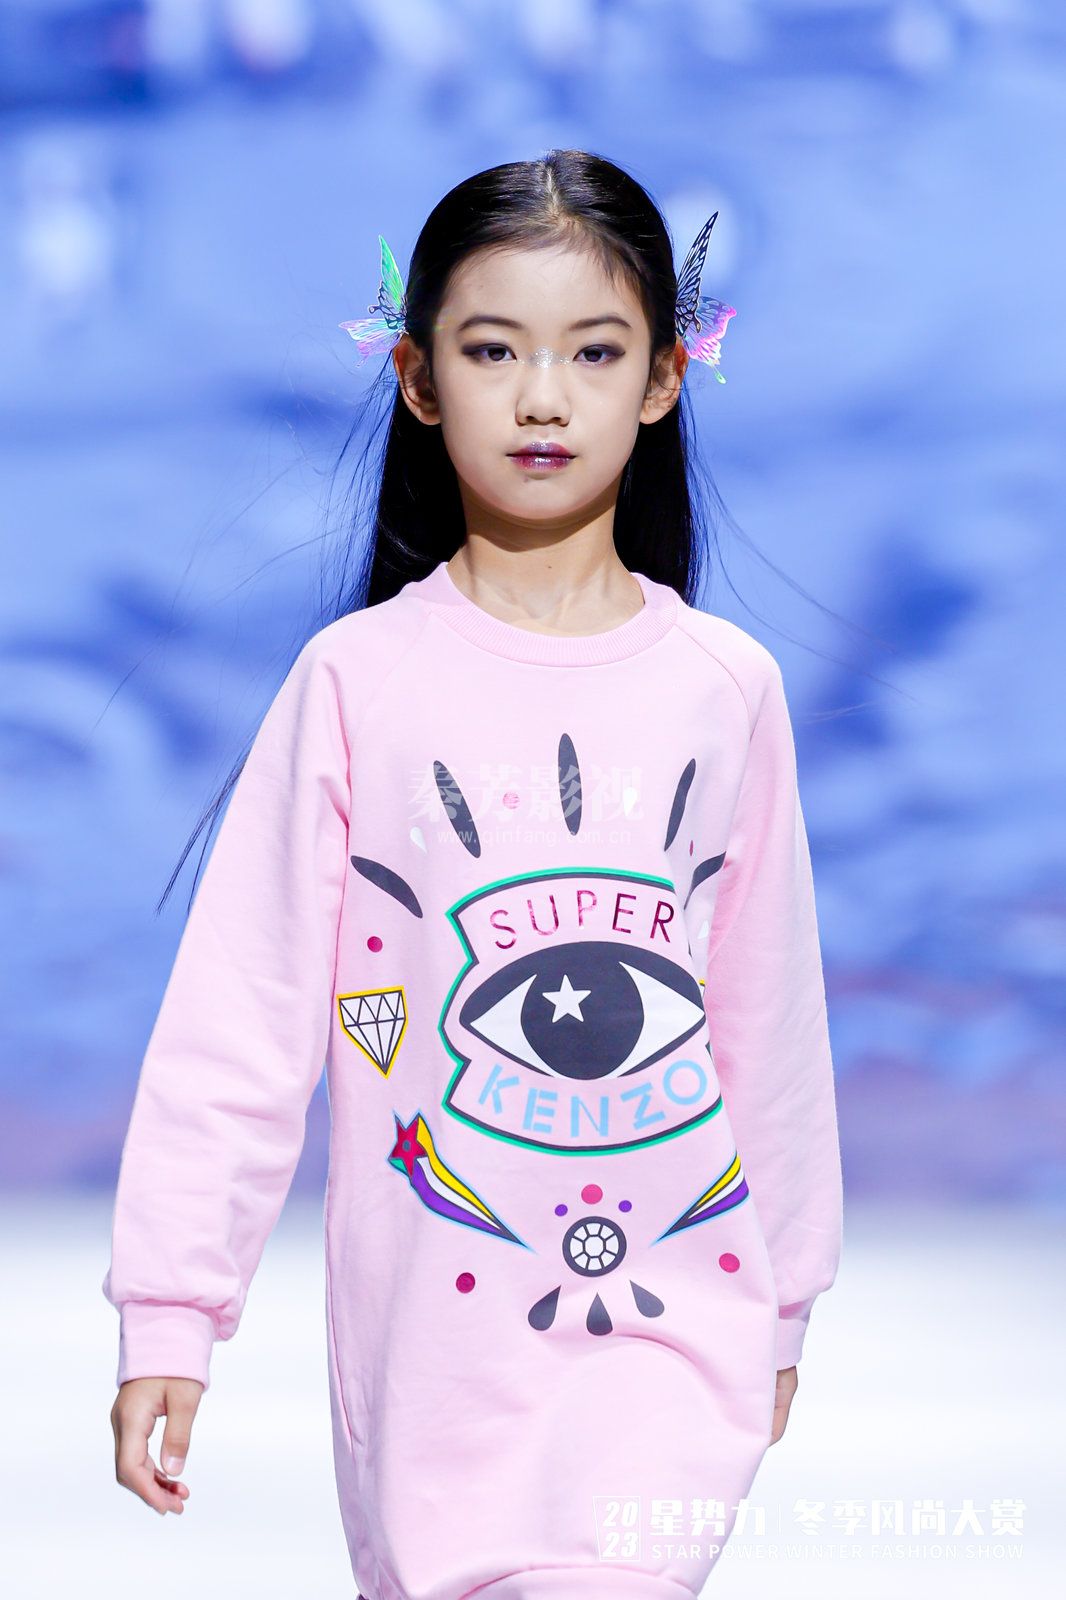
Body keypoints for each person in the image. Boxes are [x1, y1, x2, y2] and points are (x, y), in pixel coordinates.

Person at [104, 148, 844, 1599]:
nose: (544, 397)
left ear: (666, 377)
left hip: (671, 1320)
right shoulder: (357, 683)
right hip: (430, 1355)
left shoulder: (723, 689)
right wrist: (173, 1314)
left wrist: (783, 1300)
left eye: (595, 351)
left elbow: (767, 1019)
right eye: (494, 350)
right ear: (418, 378)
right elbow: (241, 1023)